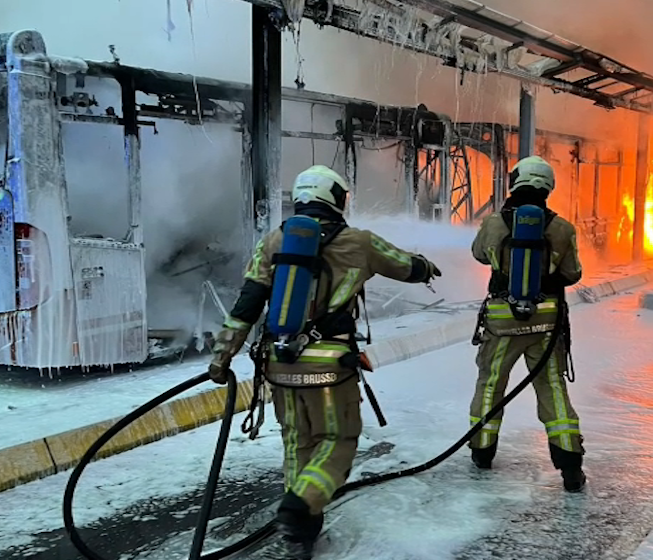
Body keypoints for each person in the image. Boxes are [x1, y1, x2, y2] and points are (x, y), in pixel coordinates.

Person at [207, 165, 442, 559]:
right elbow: (404, 265)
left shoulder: (273, 241)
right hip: (329, 365)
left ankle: (300, 533)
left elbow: (246, 303)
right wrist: (426, 268)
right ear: (336, 198)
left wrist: (221, 356)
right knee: (337, 441)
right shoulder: (359, 242)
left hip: (280, 364)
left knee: (297, 443)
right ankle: (300, 507)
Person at [467, 155, 587, 492]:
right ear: (548, 186)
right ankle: (570, 465)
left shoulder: (493, 223)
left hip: (502, 320)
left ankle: (482, 451)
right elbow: (572, 273)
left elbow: (479, 254)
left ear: (515, 181)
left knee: (491, 384)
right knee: (552, 388)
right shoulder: (562, 228)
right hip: (546, 322)